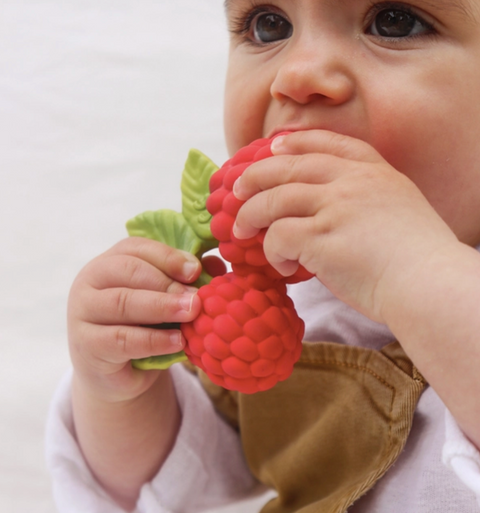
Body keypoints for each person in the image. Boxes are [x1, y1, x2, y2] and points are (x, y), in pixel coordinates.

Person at [46, 0, 480, 511]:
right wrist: (118, 394)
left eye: (395, 21)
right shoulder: (273, 294)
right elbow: (180, 478)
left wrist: (412, 269)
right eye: (268, 25)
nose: (298, 74)